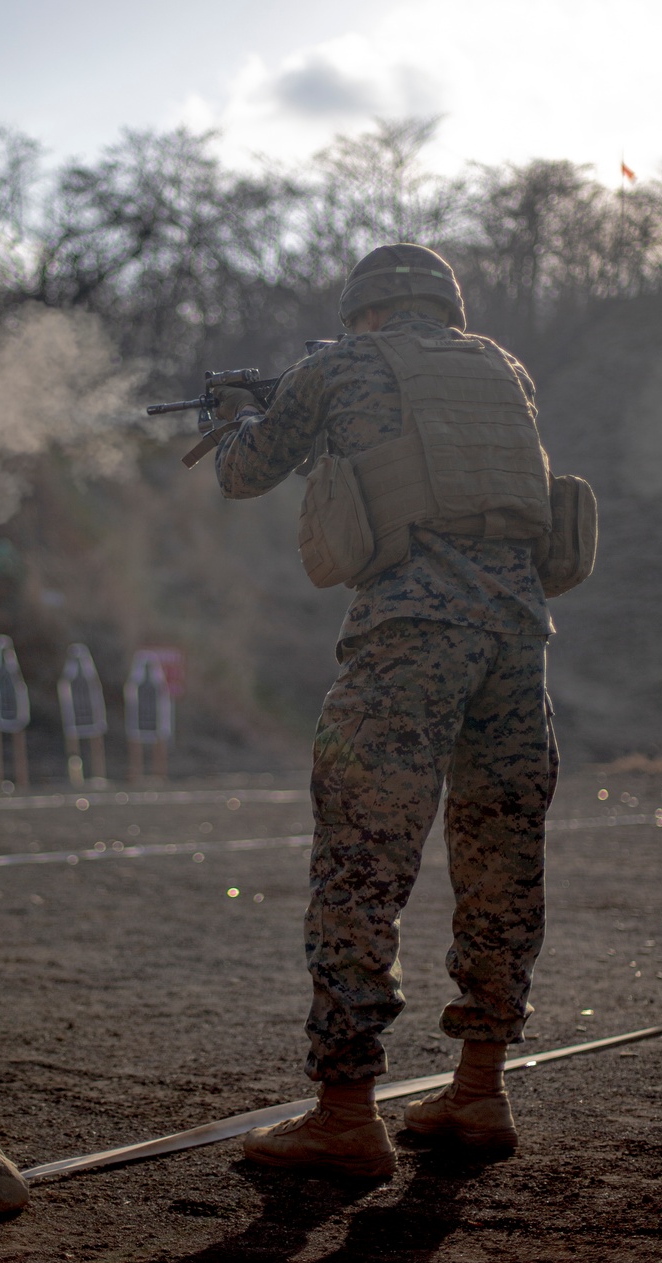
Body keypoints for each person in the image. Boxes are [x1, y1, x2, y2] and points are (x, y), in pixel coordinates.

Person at [212, 243, 559, 1176]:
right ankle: (479, 1089)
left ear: (362, 309)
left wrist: (251, 416)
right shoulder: (504, 369)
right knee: (500, 859)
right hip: (520, 639)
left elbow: (242, 472)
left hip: (409, 635)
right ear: (445, 305)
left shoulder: (337, 364)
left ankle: (344, 1108)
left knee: (362, 858)